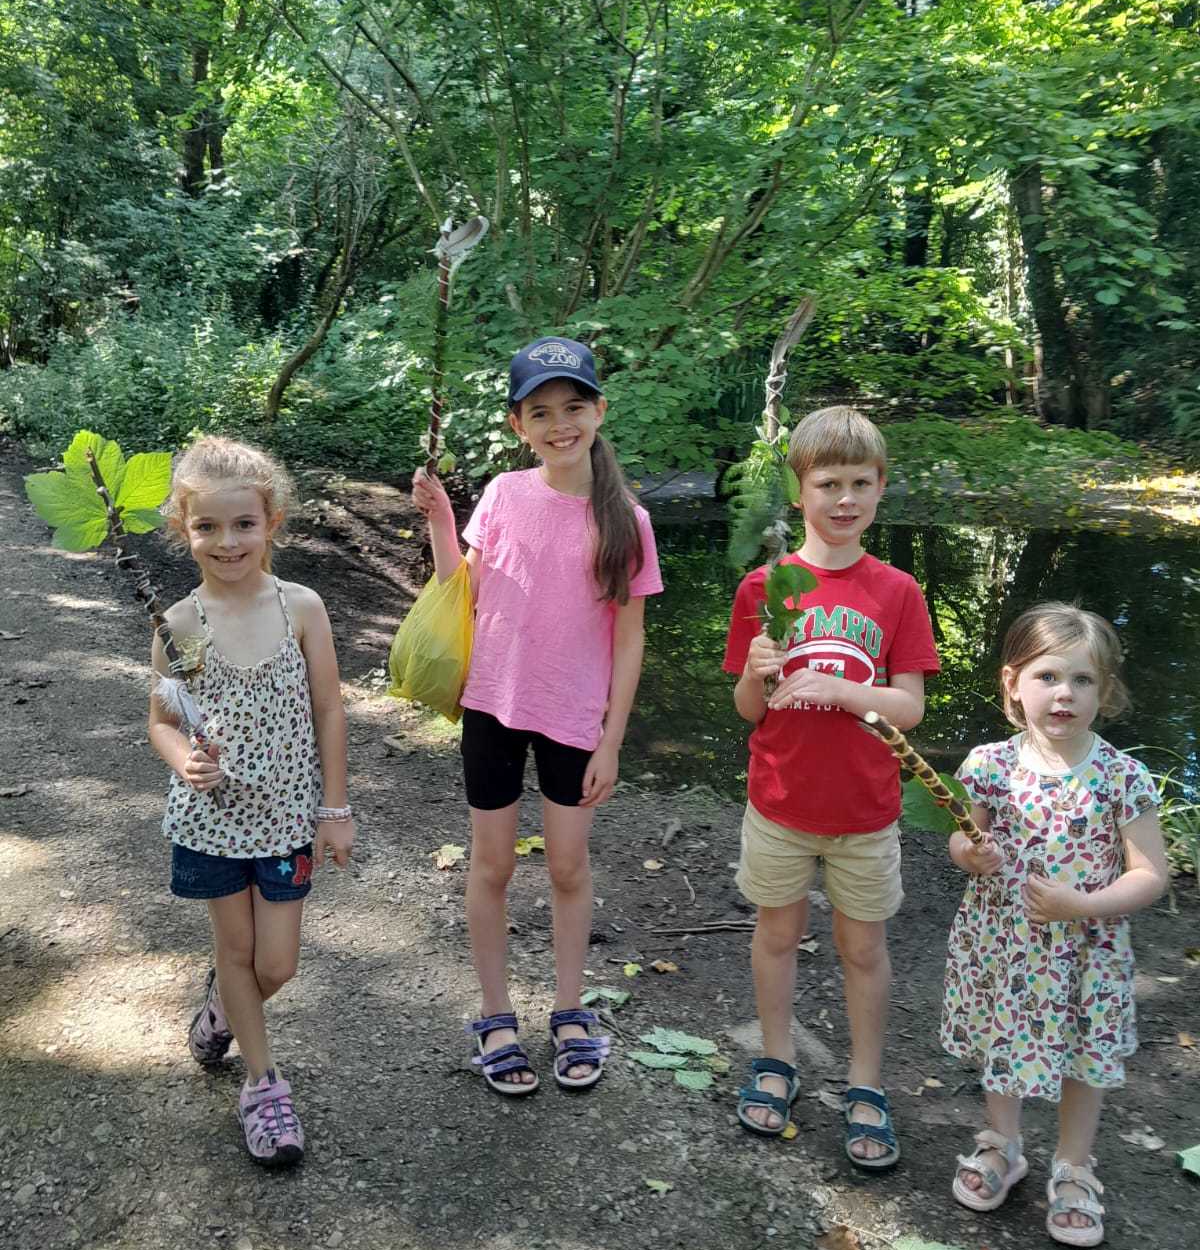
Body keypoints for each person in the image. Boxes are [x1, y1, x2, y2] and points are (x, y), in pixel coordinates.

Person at [412, 337, 662, 1096]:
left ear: (598, 412)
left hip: (574, 719)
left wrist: (611, 741)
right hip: (493, 705)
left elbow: (628, 638)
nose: (561, 425)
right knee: (489, 865)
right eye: (542, 412)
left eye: (574, 407)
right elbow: (467, 587)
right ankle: (494, 1014)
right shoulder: (504, 493)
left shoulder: (630, 521)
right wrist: (438, 522)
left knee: (566, 866)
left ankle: (568, 1008)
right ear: (519, 424)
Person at [723, 406, 939, 1167]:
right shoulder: (767, 586)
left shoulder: (897, 592)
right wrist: (757, 675)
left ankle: (866, 1082)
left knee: (863, 947)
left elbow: (908, 706)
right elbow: (752, 710)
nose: (843, 500)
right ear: (798, 490)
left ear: (880, 489)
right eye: (827, 484)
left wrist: (849, 693)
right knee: (776, 934)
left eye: (859, 483)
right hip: (779, 800)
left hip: (865, 810)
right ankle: (776, 1059)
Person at [149, 436, 353, 1166]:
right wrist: (185, 763)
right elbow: (162, 720)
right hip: (210, 822)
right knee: (235, 950)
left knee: (277, 964)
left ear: (272, 523)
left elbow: (329, 709)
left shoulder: (301, 607)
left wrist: (335, 808)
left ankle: (222, 1010)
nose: (227, 541)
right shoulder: (175, 624)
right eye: (207, 526)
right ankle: (264, 1089)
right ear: (184, 530)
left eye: (244, 524)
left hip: (288, 818)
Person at [941, 602, 1167, 1247]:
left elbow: (1150, 873)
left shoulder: (1123, 777)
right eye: (1047, 677)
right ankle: (1003, 1143)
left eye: (1083, 680)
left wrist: (1085, 905)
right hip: (1002, 945)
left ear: (1106, 690)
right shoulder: (989, 765)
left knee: (1081, 1057)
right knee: (1000, 1038)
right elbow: (964, 843)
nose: (1064, 693)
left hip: (1085, 948)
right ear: (1013, 682)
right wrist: (971, 853)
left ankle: (1072, 1165)